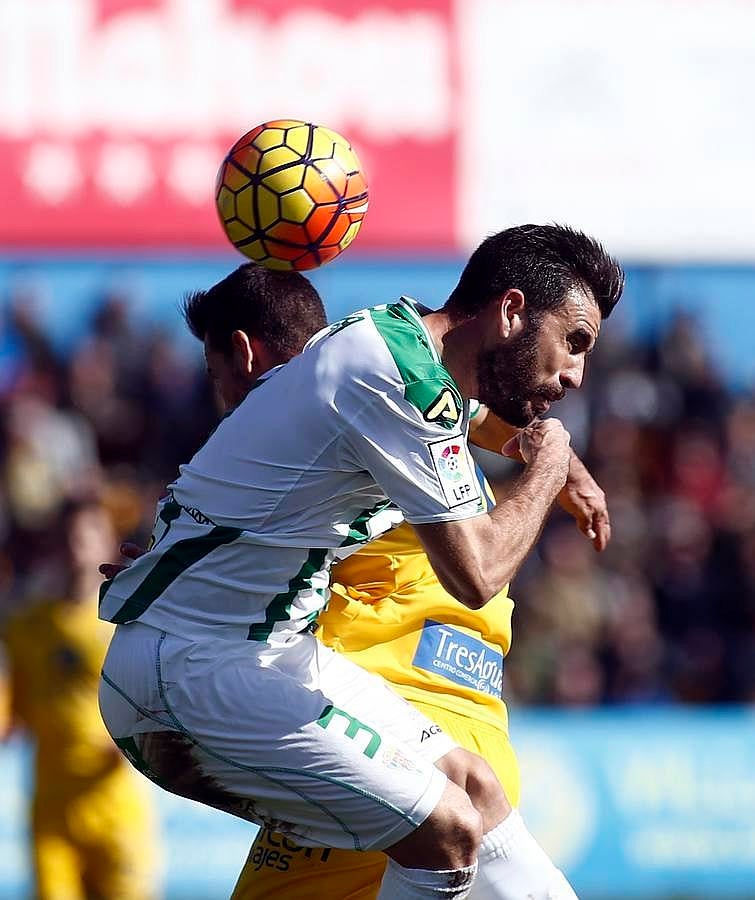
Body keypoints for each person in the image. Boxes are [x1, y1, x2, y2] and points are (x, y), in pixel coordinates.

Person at [97, 225, 624, 899]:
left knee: (473, 788)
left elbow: (466, 415)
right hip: (197, 675)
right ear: (510, 310)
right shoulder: (390, 375)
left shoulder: (392, 346)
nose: (578, 373)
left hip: (259, 656)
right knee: (444, 831)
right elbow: (477, 574)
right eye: (573, 342)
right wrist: (552, 460)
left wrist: (559, 461)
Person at [1, 496, 159, 900]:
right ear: (53, 545)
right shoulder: (24, 628)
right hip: (52, 809)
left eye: (85, 537)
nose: (76, 548)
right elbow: (10, 717)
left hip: (115, 809)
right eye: (67, 538)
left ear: (105, 543)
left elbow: (159, 710)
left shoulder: (129, 627)